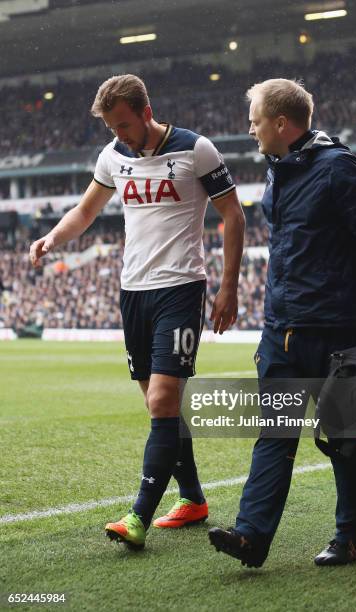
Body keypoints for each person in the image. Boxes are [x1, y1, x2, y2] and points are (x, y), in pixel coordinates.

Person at [29, 74, 245, 550]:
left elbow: (234, 214)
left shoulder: (196, 150)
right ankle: (192, 499)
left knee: (164, 400)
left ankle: (138, 517)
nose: (118, 135)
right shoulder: (113, 157)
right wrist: (52, 239)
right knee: (159, 407)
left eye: (124, 125)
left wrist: (228, 287)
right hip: (133, 292)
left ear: (147, 112)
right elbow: (85, 213)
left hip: (181, 288)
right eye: (112, 127)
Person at [208, 78, 356, 568]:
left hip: (337, 329)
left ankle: (349, 539)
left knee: (346, 439)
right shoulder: (278, 169)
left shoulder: (338, 168)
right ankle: (251, 536)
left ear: (280, 123)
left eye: (254, 120)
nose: (249, 129)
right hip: (283, 330)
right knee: (275, 433)